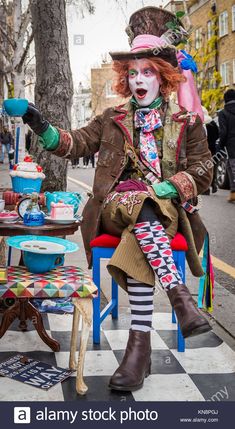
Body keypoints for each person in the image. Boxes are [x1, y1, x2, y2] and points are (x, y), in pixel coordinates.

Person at [22, 7, 213, 392]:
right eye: (133, 73)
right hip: (113, 208)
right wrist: (38, 123)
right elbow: (73, 143)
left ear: (164, 77)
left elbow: (205, 170)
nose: (139, 79)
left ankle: (137, 351)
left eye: (148, 72)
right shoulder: (112, 117)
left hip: (165, 211)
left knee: (144, 225)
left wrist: (173, 186)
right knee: (139, 205)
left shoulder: (187, 122)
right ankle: (179, 297)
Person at [218, 89, 235, 202]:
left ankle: (233, 193)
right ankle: (233, 193)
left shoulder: (223, 113)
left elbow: (223, 132)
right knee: (229, 166)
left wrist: (220, 146)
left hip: (232, 145)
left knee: (232, 168)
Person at [202, 106, 219, 194]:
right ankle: (214, 184)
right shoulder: (213, 123)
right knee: (213, 168)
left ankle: (206, 189)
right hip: (213, 149)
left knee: (205, 169)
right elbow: (218, 135)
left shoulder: (201, 123)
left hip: (205, 150)